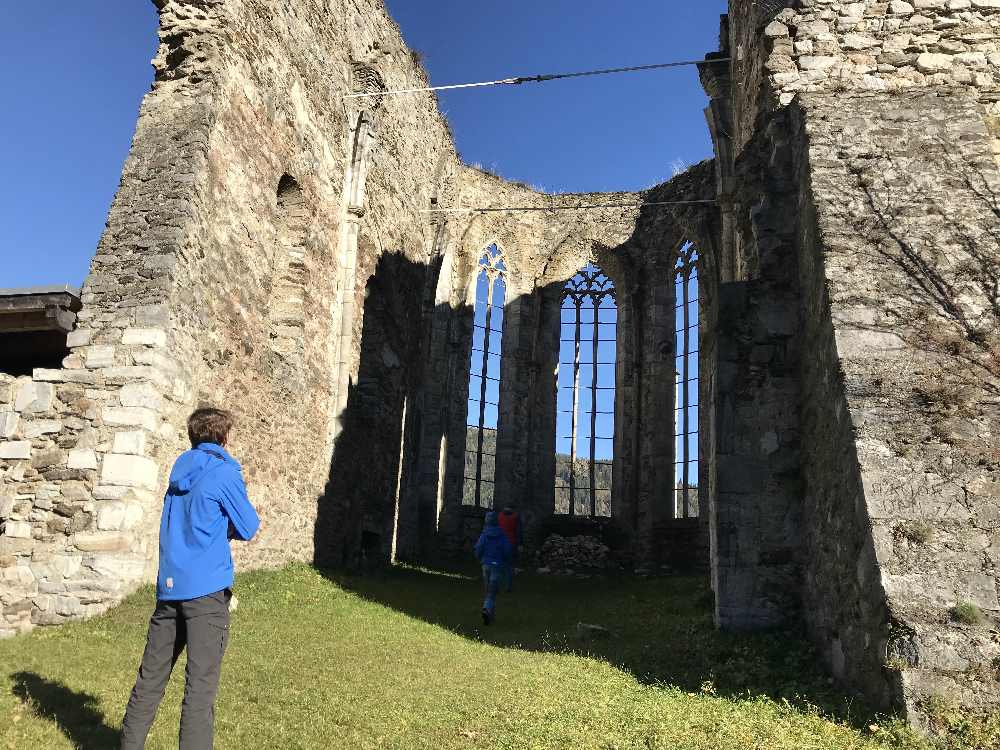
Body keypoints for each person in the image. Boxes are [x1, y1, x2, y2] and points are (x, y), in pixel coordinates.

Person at [121, 407, 260, 750]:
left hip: (169, 590)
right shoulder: (224, 473)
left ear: (192, 436)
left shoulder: (178, 471)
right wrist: (221, 528)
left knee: (149, 680)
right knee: (200, 689)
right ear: (224, 437)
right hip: (207, 594)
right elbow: (248, 526)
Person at [474, 511, 512, 626]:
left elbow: (478, 548)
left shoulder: (484, 535)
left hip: (485, 565)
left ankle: (491, 616)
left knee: (488, 591)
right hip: (497, 566)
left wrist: (480, 558)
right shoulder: (502, 535)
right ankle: (486, 610)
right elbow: (507, 550)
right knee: (492, 591)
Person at [496, 504, 523, 592]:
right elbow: (519, 532)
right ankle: (508, 587)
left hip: (500, 543)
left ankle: (498, 585)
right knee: (510, 566)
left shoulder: (499, 516)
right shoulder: (516, 517)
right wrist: (520, 544)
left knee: (500, 565)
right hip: (511, 543)